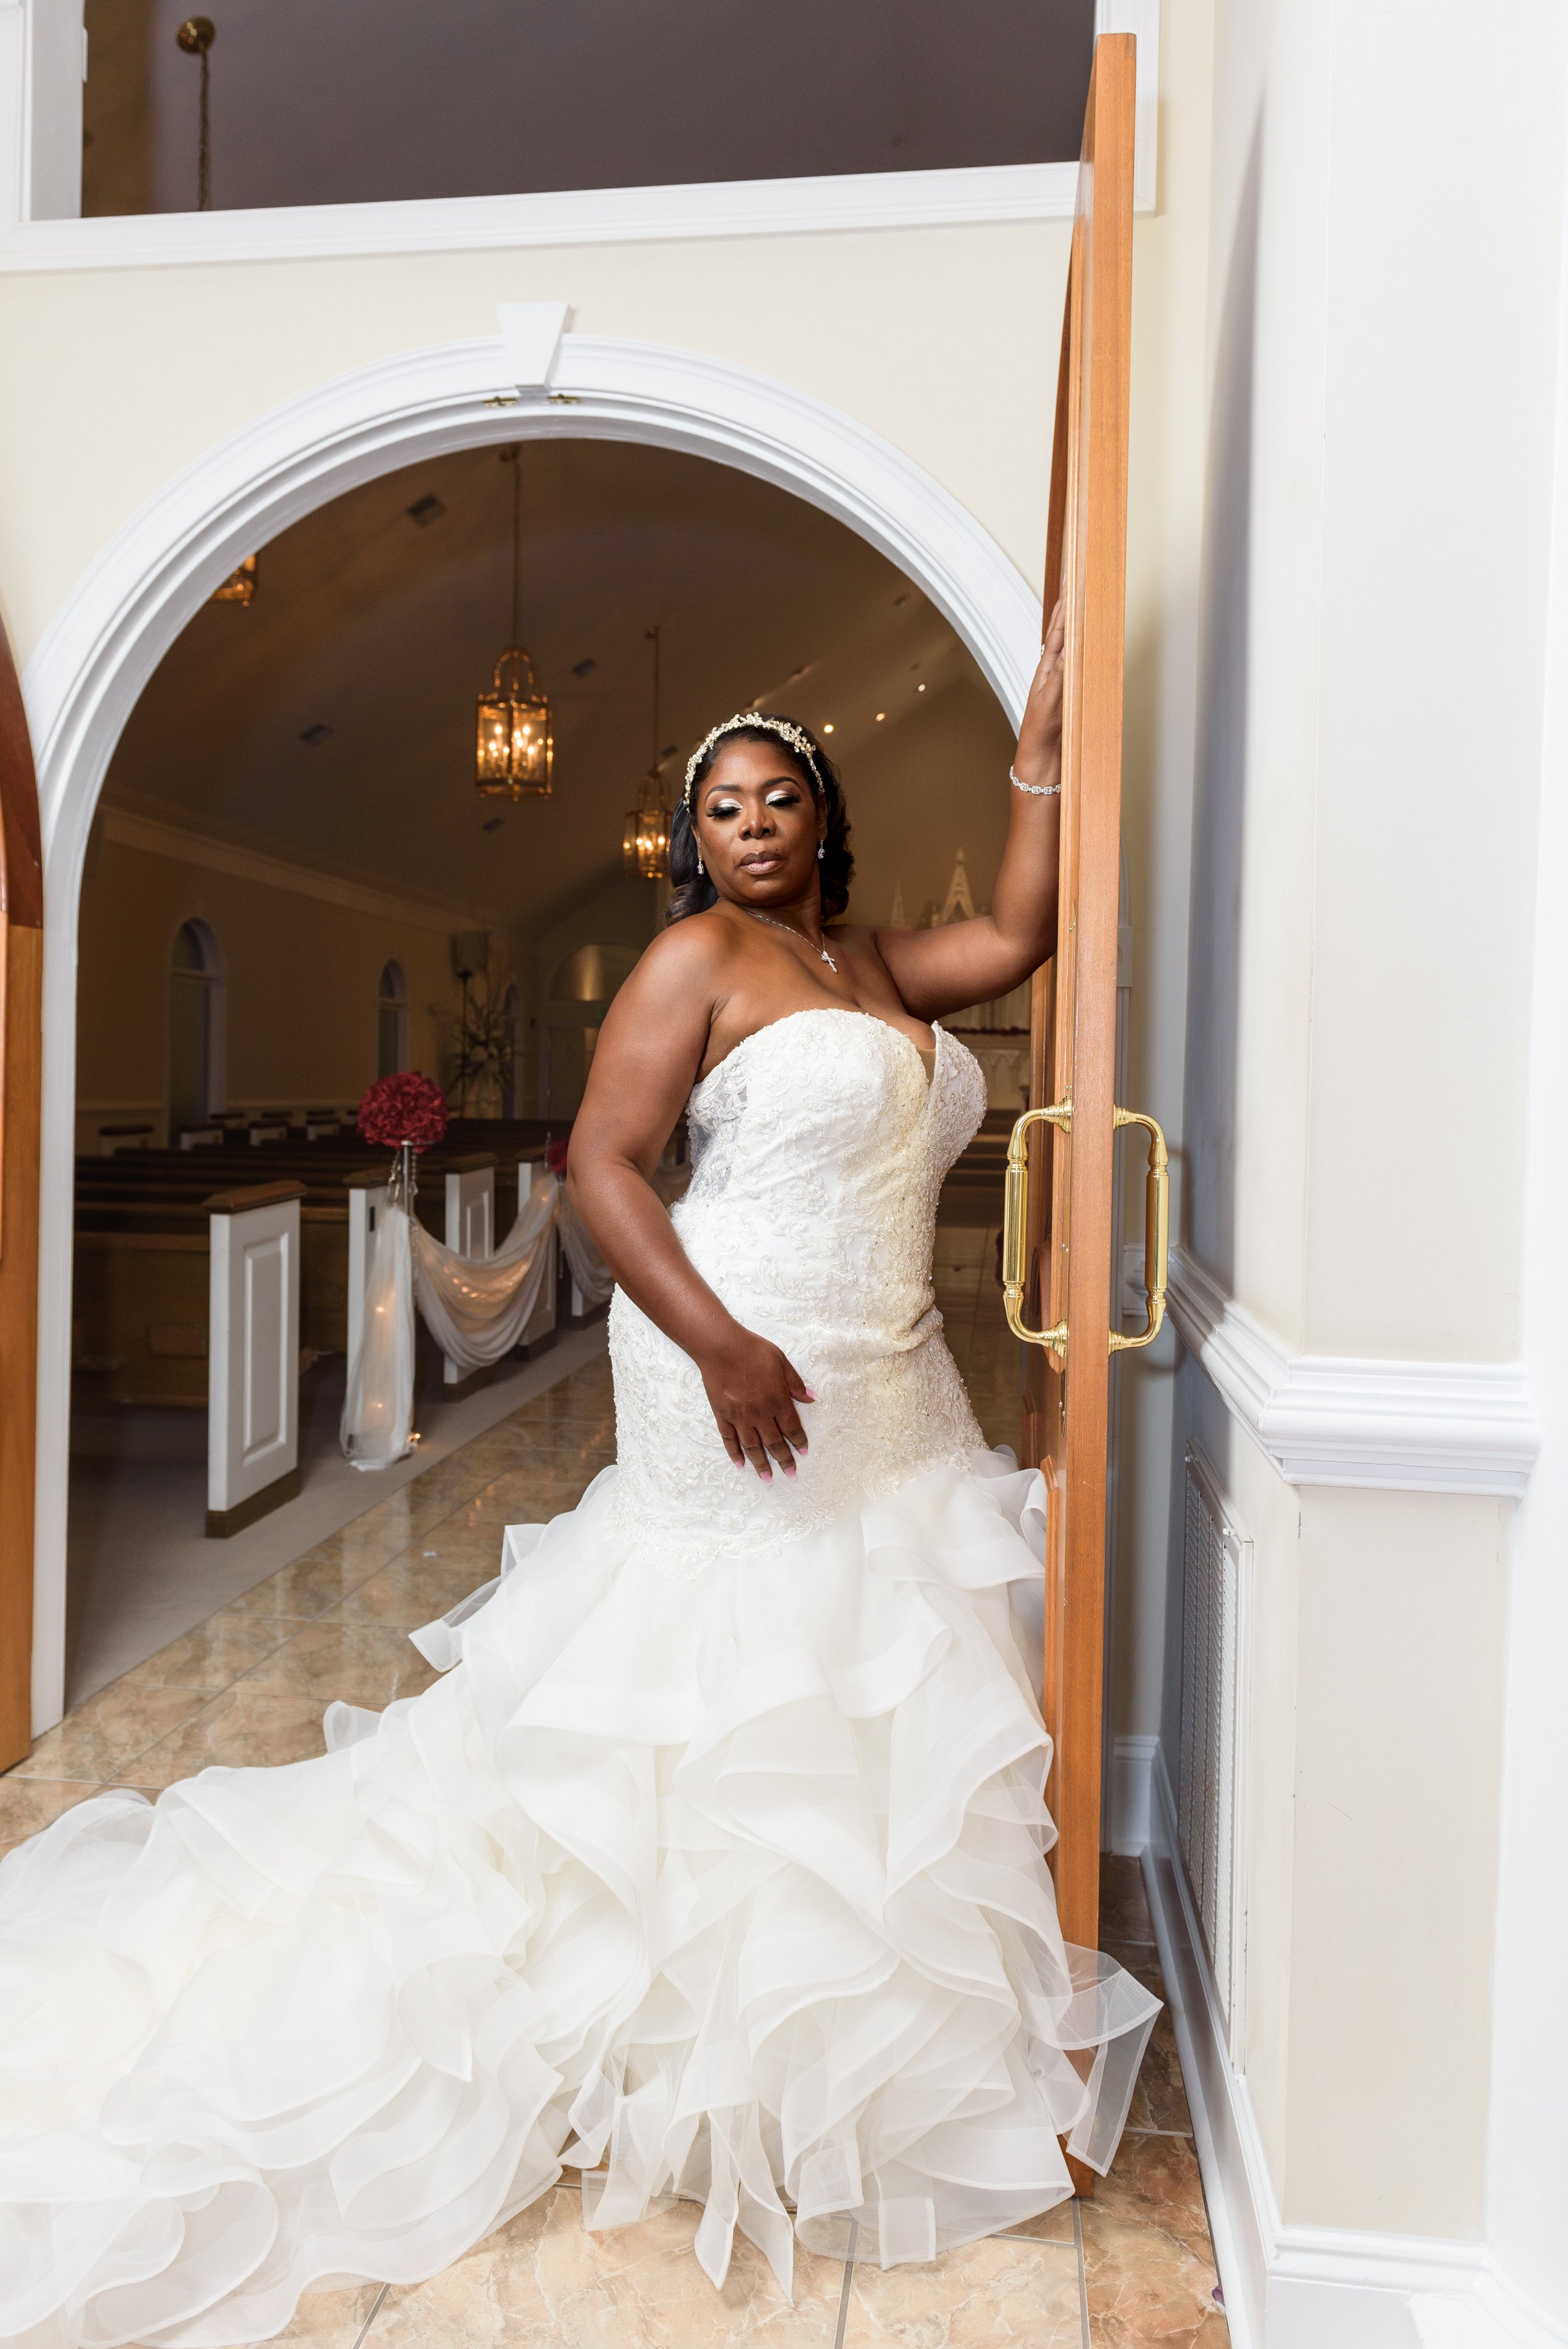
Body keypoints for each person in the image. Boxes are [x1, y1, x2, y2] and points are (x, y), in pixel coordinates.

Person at [0, 603, 1157, 2345]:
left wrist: (1042, 748)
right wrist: (719, 1342)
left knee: (872, 1656)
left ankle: (835, 2014)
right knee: (727, 1661)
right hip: (735, 1349)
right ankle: (673, 2009)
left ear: (821, 819)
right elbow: (607, 1169)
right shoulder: (697, 967)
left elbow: (1018, 926)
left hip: (892, 1366)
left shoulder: (875, 966)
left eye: (775, 799)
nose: (748, 825)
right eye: (720, 808)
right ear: (694, 843)